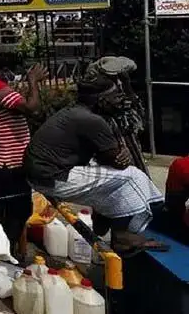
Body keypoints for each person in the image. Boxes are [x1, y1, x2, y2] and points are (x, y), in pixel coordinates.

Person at [24, 73, 167, 255]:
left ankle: (104, 217)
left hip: (45, 175)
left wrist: (117, 153)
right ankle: (122, 236)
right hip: (52, 178)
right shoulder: (92, 120)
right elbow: (119, 162)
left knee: (115, 176)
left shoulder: (74, 111)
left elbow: (108, 158)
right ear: (101, 100)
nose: (118, 101)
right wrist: (122, 151)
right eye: (114, 97)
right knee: (132, 177)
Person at [0, 55, 46, 250]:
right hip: (6, 161)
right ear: (5, 69)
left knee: (13, 211)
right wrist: (33, 81)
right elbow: (32, 108)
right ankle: (5, 249)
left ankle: (7, 248)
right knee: (17, 211)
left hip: (9, 159)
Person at [83, 56, 148, 173]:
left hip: (134, 166)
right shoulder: (94, 115)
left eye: (121, 79)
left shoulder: (123, 110)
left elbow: (138, 120)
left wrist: (128, 86)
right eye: (113, 79)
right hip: (110, 172)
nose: (119, 84)